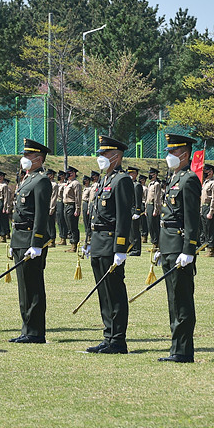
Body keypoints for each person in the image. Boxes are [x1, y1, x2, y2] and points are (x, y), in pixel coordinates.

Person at [86, 135, 134, 355]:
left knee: (114, 292)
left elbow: (123, 217)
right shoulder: (104, 181)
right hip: (98, 243)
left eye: (104, 154)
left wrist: (120, 248)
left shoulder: (121, 180)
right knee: (103, 293)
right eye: (100, 154)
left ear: (116, 156)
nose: (101, 157)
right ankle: (108, 335)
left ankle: (118, 340)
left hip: (110, 244)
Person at [155, 134, 201, 363]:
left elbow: (192, 219)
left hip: (180, 247)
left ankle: (183, 351)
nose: (169, 156)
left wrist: (189, 250)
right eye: (169, 151)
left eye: (174, 152)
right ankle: (176, 348)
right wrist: (160, 247)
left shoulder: (189, 179)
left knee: (182, 300)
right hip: (169, 246)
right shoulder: (173, 179)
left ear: (185, 154)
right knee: (173, 300)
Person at [9, 139, 53, 343]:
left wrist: (36, 243)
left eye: (28, 156)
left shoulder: (41, 181)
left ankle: (36, 332)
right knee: (23, 288)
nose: (24, 159)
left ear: (38, 159)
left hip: (30, 241)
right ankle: (26, 329)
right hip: (19, 238)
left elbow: (40, 215)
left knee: (33, 287)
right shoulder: (25, 180)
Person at [200, 164, 214, 257]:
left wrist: (211, 211)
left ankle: (211, 249)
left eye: (206, 170)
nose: (204, 172)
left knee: (210, 229)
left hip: (209, 207)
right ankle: (206, 246)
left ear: (211, 172)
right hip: (203, 207)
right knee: (205, 229)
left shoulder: (213, 184)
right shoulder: (205, 183)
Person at [63, 167, 82, 253]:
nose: (68, 174)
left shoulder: (76, 183)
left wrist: (77, 209)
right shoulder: (68, 183)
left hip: (72, 206)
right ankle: (72, 244)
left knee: (73, 226)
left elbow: (78, 197)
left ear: (74, 173)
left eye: (70, 173)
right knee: (69, 226)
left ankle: (74, 245)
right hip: (66, 205)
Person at [127, 166, 144, 256]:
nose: (130, 175)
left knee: (135, 231)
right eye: (129, 173)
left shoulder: (137, 185)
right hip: (129, 210)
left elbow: (138, 199)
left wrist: (137, 211)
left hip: (134, 210)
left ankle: (137, 249)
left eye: (132, 173)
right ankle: (131, 247)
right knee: (130, 231)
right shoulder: (129, 184)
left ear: (136, 174)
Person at [145, 168, 163, 249]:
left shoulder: (157, 184)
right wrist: (146, 209)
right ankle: (153, 241)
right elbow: (147, 197)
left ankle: (157, 243)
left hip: (153, 206)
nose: (150, 175)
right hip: (148, 206)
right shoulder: (150, 184)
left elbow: (157, 197)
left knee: (154, 225)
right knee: (150, 225)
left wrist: (156, 209)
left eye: (151, 173)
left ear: (155, 174)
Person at [0, 171, 13, 244]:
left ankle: (3, 236)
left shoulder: (4, 185)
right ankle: (1, 234)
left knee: (2, 220)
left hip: (2, 203)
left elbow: (6, 197)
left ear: (2, 177)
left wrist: (5, 207)